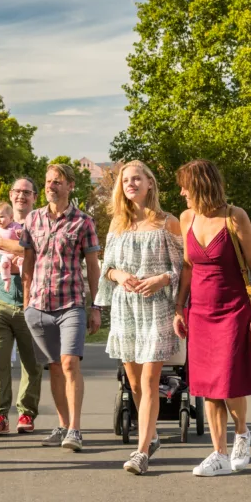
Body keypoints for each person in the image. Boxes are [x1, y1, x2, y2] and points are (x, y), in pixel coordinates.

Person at [0, 163, 101, 452]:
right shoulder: (34, 220)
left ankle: (75, 429)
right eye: (49, 181)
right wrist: (27, 300)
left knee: (69, 363)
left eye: (58, 182)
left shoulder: (83, 222)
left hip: (71, 303)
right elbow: (27, 261)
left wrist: (96, 306)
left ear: (70, 186)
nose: (52, 186)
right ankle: (63, 425)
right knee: (53, 367)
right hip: (39, 305)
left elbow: (92, 267)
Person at [172, 159, 251, 477]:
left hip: (233, 311)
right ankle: (219, 453)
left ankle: (242, 432)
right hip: (199, 312)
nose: (182, 191)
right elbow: (187, 267)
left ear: (200, 185)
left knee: (228, 382)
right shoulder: (187, 218)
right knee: (207, 387)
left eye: (186, 185)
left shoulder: (234, 216)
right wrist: (178, 307)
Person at [95, 161, 183, 475]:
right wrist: (118, 274)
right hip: (125, 309)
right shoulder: (117, 223)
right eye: (126, 180)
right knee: (133, 381)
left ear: (149, 183)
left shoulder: (168, 222)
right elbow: (106, 267)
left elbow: (183, 270)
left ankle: (141, 451)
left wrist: (162, 279)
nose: (130, 184)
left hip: (156, 308)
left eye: (136, 179)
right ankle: (153, 434)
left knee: (149, 381)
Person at [0, 177, 44, 436]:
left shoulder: (40, 224)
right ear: (10, 194)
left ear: (34, 197)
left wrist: (12, 252)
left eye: (27, 192)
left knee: (32, 364)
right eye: (17, 191)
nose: (21, 196)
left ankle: (26, 414)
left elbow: (41, 256)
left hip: (32, 303)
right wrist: (16, 266)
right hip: (1, 301)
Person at [0, 202, 23, 293]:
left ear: (11, 217)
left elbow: (22, 236)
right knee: (4, 265)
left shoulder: (15, 226)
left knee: (22, 262)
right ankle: (7, 280)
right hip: (5, 255)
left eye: (1, 217)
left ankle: (23, 277)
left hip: (17, 254)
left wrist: (20, 233)